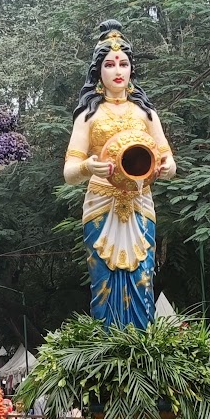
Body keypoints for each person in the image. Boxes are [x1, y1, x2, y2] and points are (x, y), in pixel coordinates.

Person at [62, 20, 176, 330]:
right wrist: (88, 166)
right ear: (97, 71)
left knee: (143, 276)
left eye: (123, 64)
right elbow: (69, 172)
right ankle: (107, 342)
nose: (117, 71)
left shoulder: (146, 113)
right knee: (103, 279)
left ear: (131, 69)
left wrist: (167, 167)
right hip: (101, 203)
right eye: (110, 64)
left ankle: (141, 342)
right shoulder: (88, 115)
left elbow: (168, 160)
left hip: (139, 202)